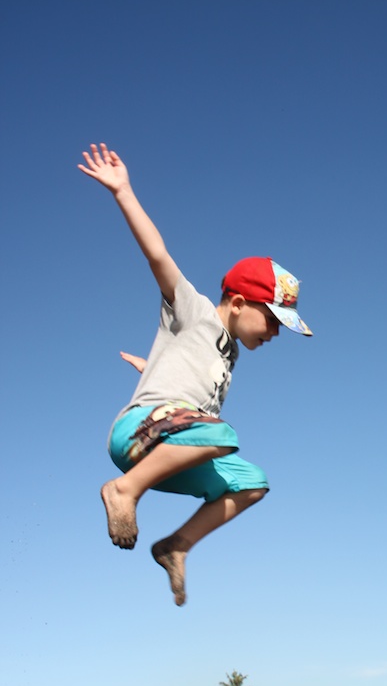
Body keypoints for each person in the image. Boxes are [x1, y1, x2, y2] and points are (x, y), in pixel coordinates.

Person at [78, 143, 312, 606]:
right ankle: (123, 491)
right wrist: (123, 191)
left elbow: (183, 374)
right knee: (223, 433)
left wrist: (152, 368)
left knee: (252, 481)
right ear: (240, 303)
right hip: (136, 435)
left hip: (172, 448)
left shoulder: (229, 354)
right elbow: (159, 257)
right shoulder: (195, 310)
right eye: (272, 321)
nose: (275, 334)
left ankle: (176, 546)